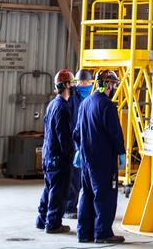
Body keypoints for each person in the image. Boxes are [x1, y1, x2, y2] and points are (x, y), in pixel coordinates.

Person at [73, 70, 126, 245]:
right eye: (113, 84)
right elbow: (115, 133)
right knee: (105, 197)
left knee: (86, 195)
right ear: (108, 84)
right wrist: (121, 152)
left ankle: (84, 234)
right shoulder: (107, 106)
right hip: (103, 161)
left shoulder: (85, 103)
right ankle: (102, 233)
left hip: (87, 161)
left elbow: (76, 133)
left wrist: (80, 150)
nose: (113, 88)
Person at [35, 69, 75, 235]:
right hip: (59, 157)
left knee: (49, 188)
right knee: (58, 192)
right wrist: (70, 155)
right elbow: (63, 135)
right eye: (72, 84)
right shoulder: (63, 108)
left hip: (48, 155)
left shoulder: (52, 104)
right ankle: (53, 224)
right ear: (66, 85)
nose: (73, 87)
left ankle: (42, 220)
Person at [65, 69, 95, 218]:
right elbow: (72, 123)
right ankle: (69, 207)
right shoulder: (72, 98)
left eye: (87, 82)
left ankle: (83, 207)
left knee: (85, 178)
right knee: (74, 177)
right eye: (81, 82)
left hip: (86, 142)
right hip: (74, 142)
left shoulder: (91, 98)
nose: (84, 84)